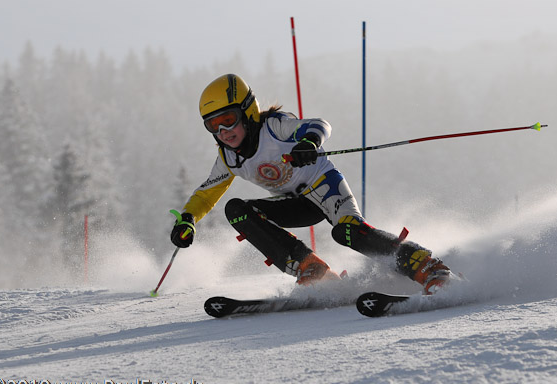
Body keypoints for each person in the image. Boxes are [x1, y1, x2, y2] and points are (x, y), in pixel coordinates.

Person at [171, 74, 451, 293]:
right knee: (237, 209)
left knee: (347, 232)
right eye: (213, 126)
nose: (223, 132)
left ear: (248, 111)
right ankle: (311, 269)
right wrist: (187, 219)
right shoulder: (229, 158)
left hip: (324, 188)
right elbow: (207, 194)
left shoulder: (275, 128)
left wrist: (308, 142)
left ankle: (427, 267)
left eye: (229, 120)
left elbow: (320, 125)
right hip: (295, 203)